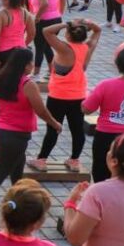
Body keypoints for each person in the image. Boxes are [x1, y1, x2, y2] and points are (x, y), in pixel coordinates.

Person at [0, 48, 61, 220]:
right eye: (31, 63)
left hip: (1, 130)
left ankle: (20, 200)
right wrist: (54, 123)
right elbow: (40, 110)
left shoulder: (1, 78)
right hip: (17, 135)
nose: (32, 65)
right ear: (25, 65)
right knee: (1, 171)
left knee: (17, 168)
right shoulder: (27, 84)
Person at [28, 20, 101, 173]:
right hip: (79, 96)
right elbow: (98, 30)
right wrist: (87, 23)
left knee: (53, 128)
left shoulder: (65, 49)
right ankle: (74, 160)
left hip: (58, 97)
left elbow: (46, 31)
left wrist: (66, 23)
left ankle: (41, 159)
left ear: (68, 34)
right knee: (77, 129)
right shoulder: (87, 47)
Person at [81, 46, 124, 183]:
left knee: (101, 172)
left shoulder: (105, 85)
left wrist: (87, 96)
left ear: (117, 64)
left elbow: (86, 109)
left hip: (106, 137)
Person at [0, 0, 35, 88]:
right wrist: (24, 44)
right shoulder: (26, 14)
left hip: (3, 52)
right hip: (20, 52)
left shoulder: (0, 14)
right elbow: (32, 33)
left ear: (7, 0)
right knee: (13, 85)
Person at [29, 0, 67, 78]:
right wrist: (60, 12)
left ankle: (36, 73)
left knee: (39, 47)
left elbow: (44, 4)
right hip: (56, 19)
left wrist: (37, 17)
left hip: (45, 21)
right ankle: (52, 70)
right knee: (46, 46)